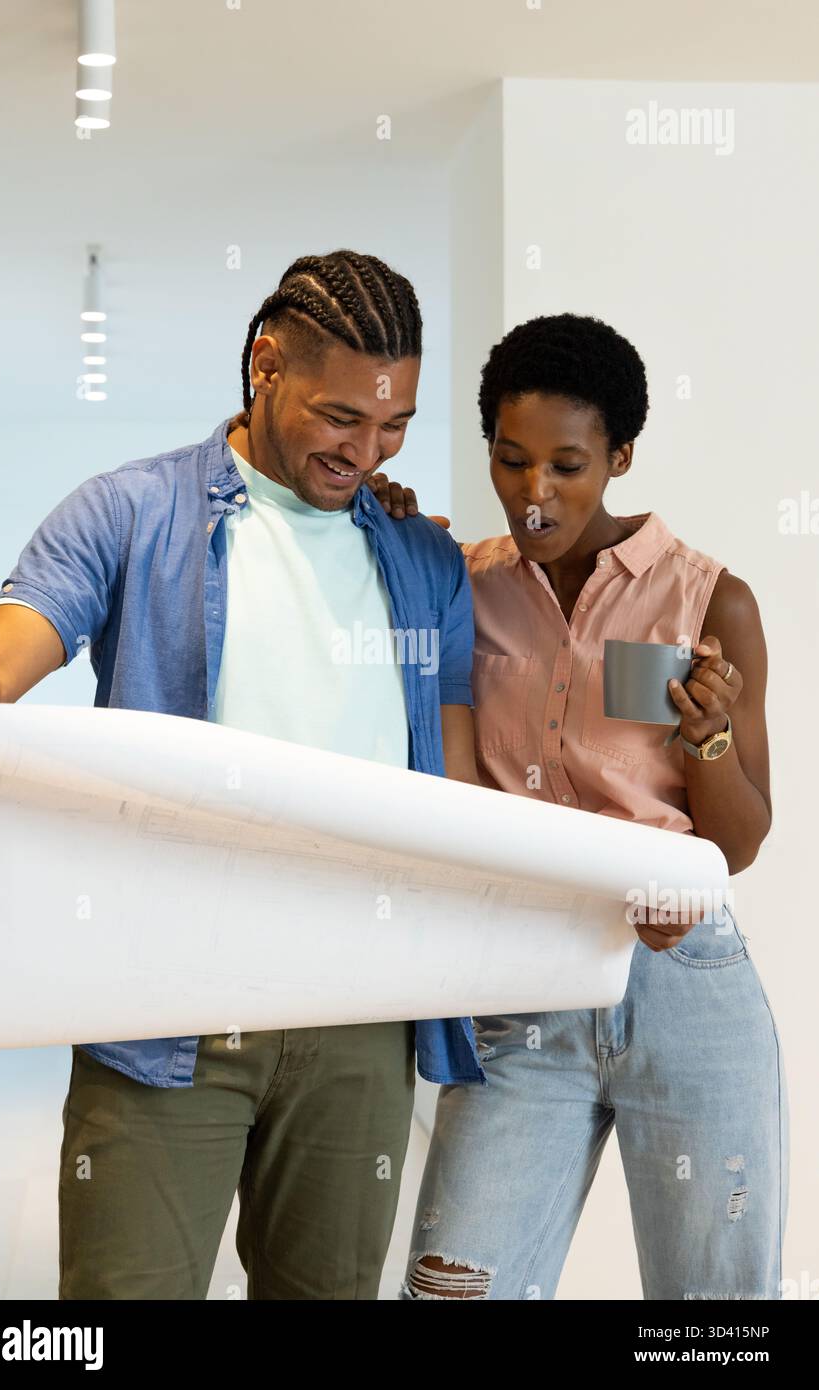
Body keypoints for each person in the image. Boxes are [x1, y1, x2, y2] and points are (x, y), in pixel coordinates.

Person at [0, 249, 485, 1300]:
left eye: (394, 428)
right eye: (341, 417)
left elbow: (459, 797)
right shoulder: (129, 512)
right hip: (164, 1005)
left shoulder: (425, 563)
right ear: (265, 363)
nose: (366, 452)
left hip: (357, 1017)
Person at [370, 312, 788, 1300]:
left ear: (621, 455)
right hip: (523, 985)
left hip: (685, 978)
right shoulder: (462, 585)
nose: (533, 494)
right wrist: (377, 514)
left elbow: (741, 841)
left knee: (714, 1316)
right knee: (455, 1286)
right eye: (511, 462)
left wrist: (709, 739)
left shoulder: (707, 602)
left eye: (566, 464)